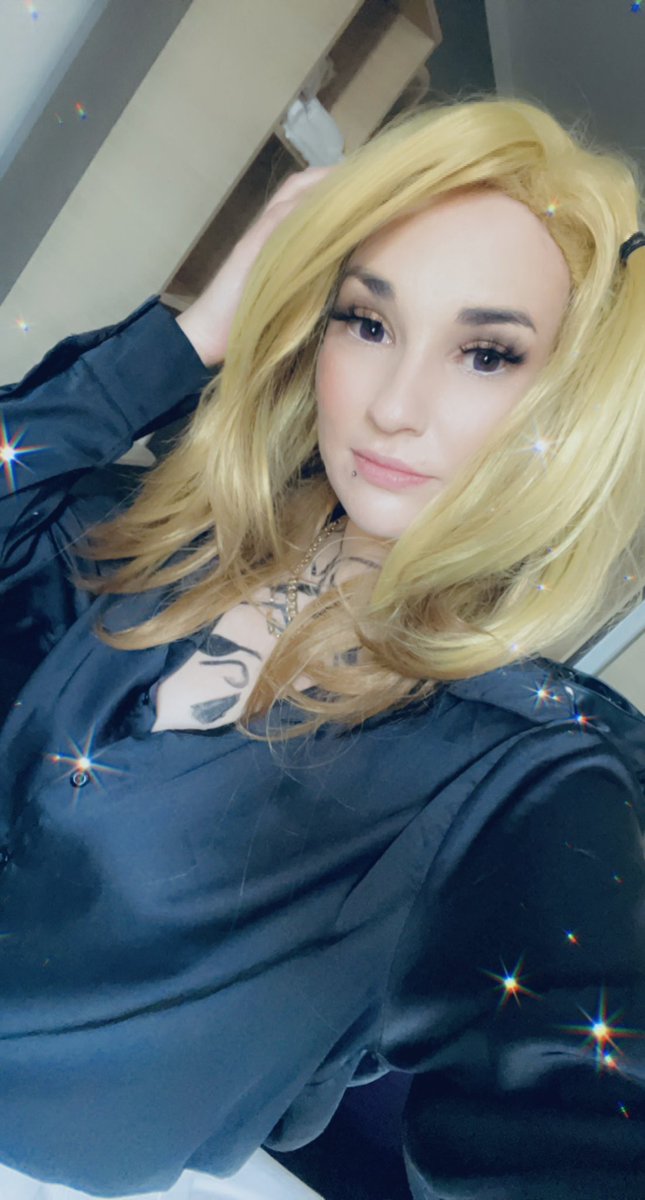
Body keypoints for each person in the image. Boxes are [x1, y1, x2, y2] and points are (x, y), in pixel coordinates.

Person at [1, 94, 645, 1200]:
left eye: (486, 353)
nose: (395, 406)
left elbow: (578, 1117)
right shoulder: (159, 537)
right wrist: (199, 330)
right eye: (368, 321)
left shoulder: (527, 764)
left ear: (573, 402)